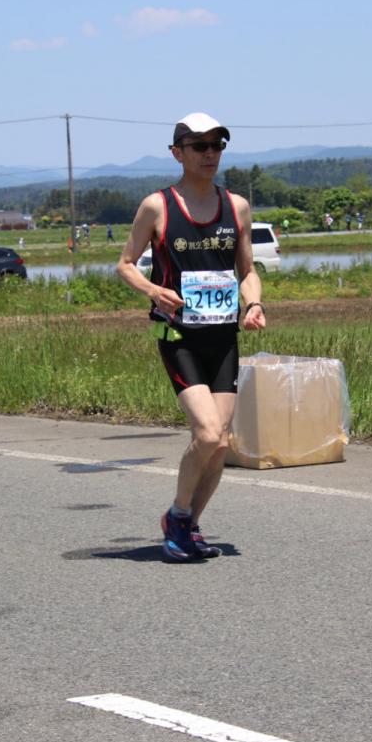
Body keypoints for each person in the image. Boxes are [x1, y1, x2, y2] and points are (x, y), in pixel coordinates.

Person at [116, 112, 266, 562]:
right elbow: (125, 264)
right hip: (178, 335)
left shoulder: (236, 206)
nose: (209, 153)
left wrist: (254, 304)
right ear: (177, 153)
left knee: (220, 442)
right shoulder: (157, 206)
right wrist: (152, 290)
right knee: (206, 431)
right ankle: (177, 516)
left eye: (217, 145)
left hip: (222, 338)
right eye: (199, 146)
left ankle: (189, 526)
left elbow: (247, 271)